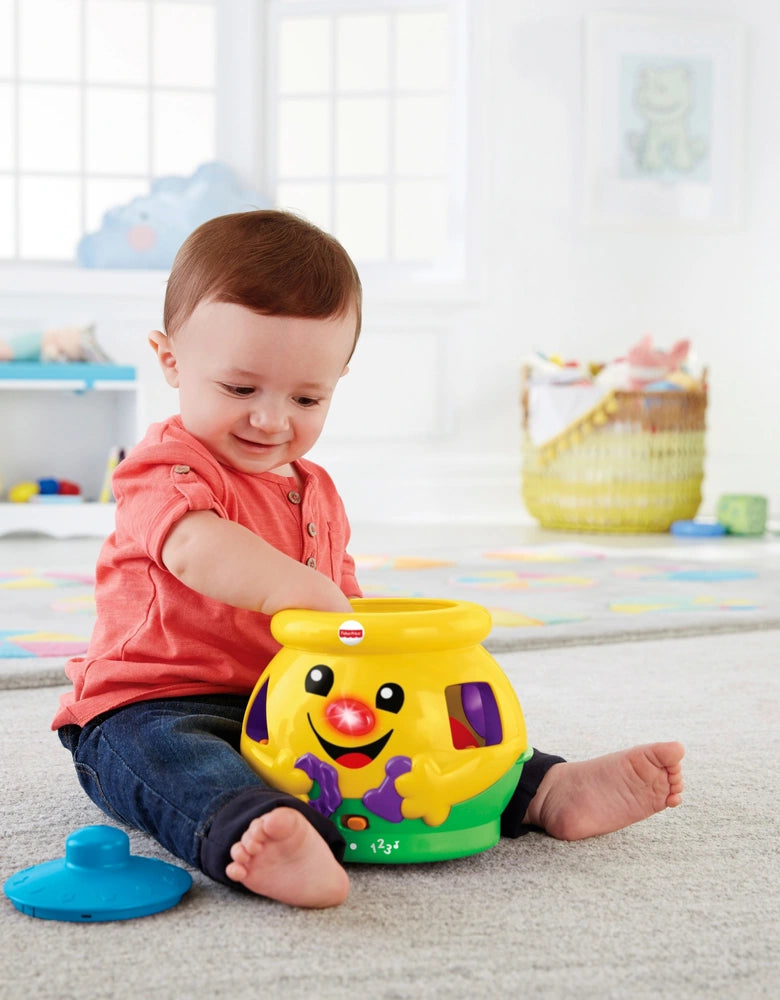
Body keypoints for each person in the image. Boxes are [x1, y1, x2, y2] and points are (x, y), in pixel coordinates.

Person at [53, 210, 684, 909]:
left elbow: (346, 607)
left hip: (289, 700)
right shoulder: (165, 467)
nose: (271, 418)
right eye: (240, 389)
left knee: (418, 738)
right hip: (155, 700)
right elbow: (197, 548)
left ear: (337, 379)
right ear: (170, 359)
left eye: (306, 397)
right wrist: (304, 594)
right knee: (179, 761)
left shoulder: (315, 489)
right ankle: (260, 831)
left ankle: (538, 788)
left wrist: (383, 658)